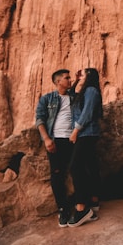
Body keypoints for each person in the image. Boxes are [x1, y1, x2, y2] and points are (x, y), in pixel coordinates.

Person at [35, 69, 75, 227]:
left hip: (73, 140)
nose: (70, 80)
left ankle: (81, 207)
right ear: (58, 82)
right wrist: (46, 139)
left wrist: (78, 80)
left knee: (77, 171)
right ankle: (63, 209)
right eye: (67, 78)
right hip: (56, 140)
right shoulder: (48, 98)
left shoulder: (74, 97)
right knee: (57, 175)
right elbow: (40, 119)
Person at [67, 68, 103, 227]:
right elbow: (70, 96)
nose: (79, 75)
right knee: (90, 166)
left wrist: (75, 131)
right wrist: (75, 81)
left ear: (89, 76)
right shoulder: (84, 91)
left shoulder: (91, 90)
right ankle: (94, 202)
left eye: (82, 74)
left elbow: (87, 113)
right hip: (86, 133)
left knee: (75, 167)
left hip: (87, 133)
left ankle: (82, 208)